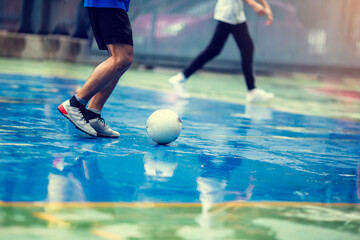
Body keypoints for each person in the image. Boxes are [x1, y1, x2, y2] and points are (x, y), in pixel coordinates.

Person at [168, 0, 274, 102]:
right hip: (227, 13)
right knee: (214, 49)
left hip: (237, 15)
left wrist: (266, 8)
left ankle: (252, 91)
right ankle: (180, 78)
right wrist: (253, 4)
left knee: (247, 48)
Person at [58, 0, 133, 137]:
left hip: (110, 4)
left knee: (123, 59)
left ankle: (93, 114)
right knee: (121, 58)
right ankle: (75, 104)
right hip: (109, 3)